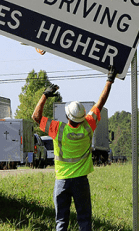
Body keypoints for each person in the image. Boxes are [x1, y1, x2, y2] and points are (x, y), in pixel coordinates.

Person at [32, 66, 117, 231]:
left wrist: (45, 95)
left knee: (61, 223)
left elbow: (36, 117)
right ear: (82, 116)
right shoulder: (88, 126)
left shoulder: (58, 129)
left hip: (62, 181)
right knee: (84, 221)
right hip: (81, 182)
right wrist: (110, 80)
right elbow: (101, 102)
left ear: (67, 116)